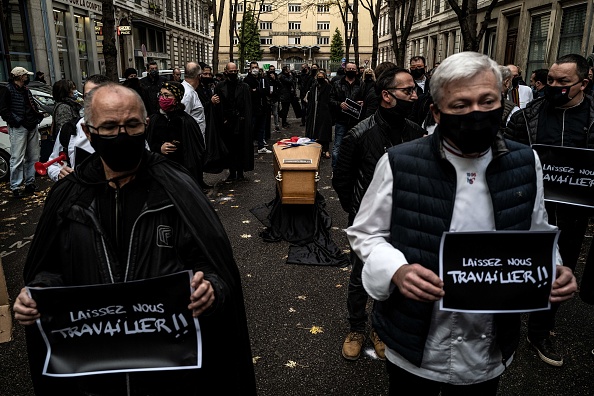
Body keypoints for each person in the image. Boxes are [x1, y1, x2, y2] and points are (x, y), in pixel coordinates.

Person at [347, 51, 577, 394]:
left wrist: (553, 267)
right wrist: (396, 269)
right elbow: (367, 232)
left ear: (502, 102)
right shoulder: (399, 162)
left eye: (487, 101)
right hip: (416, 336)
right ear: (437, 112)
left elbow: (537, 231)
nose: (476, 113)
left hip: (488, 344)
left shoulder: (526, 162)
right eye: (460, 104)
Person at [13, 82, 256, 395]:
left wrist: (211, 288)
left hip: (170, 376)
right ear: (88, 132)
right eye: (110, 126)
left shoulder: (176, 188)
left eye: (131, 124)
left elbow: (213, 265)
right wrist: (35, 296)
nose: (122, 135)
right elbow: (48, 268)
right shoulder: (69, 198)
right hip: (93, 377)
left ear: (145, 124)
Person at [506, 53, 594, 367]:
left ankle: (541, 329)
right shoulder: (525, 117)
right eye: (552, 80)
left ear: (585, 82)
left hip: (574, 213)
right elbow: (506, 157)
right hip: (528, 207)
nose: (554, 86)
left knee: (560, 269)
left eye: (563, 82)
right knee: (519, 267)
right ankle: (507, 330)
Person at [333, 66, 424, 362]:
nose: (415, 95)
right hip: (367, 222)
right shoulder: (359, 134)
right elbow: (342, 180)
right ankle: (357, 327)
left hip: (408, 220)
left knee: (397, 274)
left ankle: (382, 329)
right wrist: (357, 210)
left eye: (415, 89)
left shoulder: (417, 133)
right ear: (386, 96)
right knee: (360, 276)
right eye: (407, 91)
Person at [47, 74, 111, 182]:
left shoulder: (127, 129)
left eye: (100, 95)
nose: (93, 101)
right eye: (88, 96)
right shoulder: (70, 130)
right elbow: (53, 163)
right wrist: (59, 174)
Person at [147, 81, 206, 190]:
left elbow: (195, 150)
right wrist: (159, 148)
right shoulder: (154, 120)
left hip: (181, 172)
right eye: (161, 94)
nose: (162, 98)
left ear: (176, 99)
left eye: (167, 95)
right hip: (159, 171)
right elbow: (147, 144)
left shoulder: (186, 121)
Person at [0, 66, 44, 198]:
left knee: (33, 157)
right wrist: (16, 121)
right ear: (19, 77)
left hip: (31, 126)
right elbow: (3, 110)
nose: (27, 77)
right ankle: (15, 186)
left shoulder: (25, 90)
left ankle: (29, 182)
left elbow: (32, 105)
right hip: (20, 127)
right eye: (25, 75)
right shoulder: (7, 90)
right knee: (17, 158)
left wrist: (36, 117)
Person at [210, 62, 253, 181]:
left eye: (235, 71)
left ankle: (240, 171)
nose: (233, 73)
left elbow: (247, 106)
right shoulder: (220, 86)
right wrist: (222, 119)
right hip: (226, 122)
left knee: (240, 147)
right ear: (226, 71)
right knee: (229, 148)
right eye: (231, 71)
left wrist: (244, 119)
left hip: (240, 122)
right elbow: (218, 105)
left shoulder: (244, 86)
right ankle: (232, 171)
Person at [329, 62, 363, 168]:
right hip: (341, 120)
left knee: (355, 146)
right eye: (349, 69)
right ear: (345, 70)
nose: (351, 71)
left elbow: (367, 99)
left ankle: (351, 169)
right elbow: (330, 99)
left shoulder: (362, 84)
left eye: (353, 69)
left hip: (356, 121)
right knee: (337, 146)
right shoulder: (337, 83)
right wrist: (339, 104)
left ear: (356, 71)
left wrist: (363, 103)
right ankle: (335, 169)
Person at [244, 61, 271, 154]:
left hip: (262, 108)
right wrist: (259, 91)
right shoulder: (247, 80)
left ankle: (261, 146)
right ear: (250, 69)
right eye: (253, 67)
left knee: (261, 128)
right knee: (251, 128)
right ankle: (249, 147)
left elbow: (267, 90)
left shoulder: (262, 79)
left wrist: (257, 90)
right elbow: (250, 93)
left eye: (256, 67)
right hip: (253, 109)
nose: (255, 69)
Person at [305, 70, 333, 158]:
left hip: (325, 112)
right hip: (314, 111)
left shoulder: (329, 87)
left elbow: (331, 98)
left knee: (324, 131)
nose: (320, 78)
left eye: (321, 77)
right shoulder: (314, 86)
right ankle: (317, 149)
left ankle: (326, 149)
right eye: (318, 77)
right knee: (315, 131)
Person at [181, 62, 207, 137]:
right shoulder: (188, 94)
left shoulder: (190, 91)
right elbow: (183, 119)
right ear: (199, 76)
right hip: (193, 137)